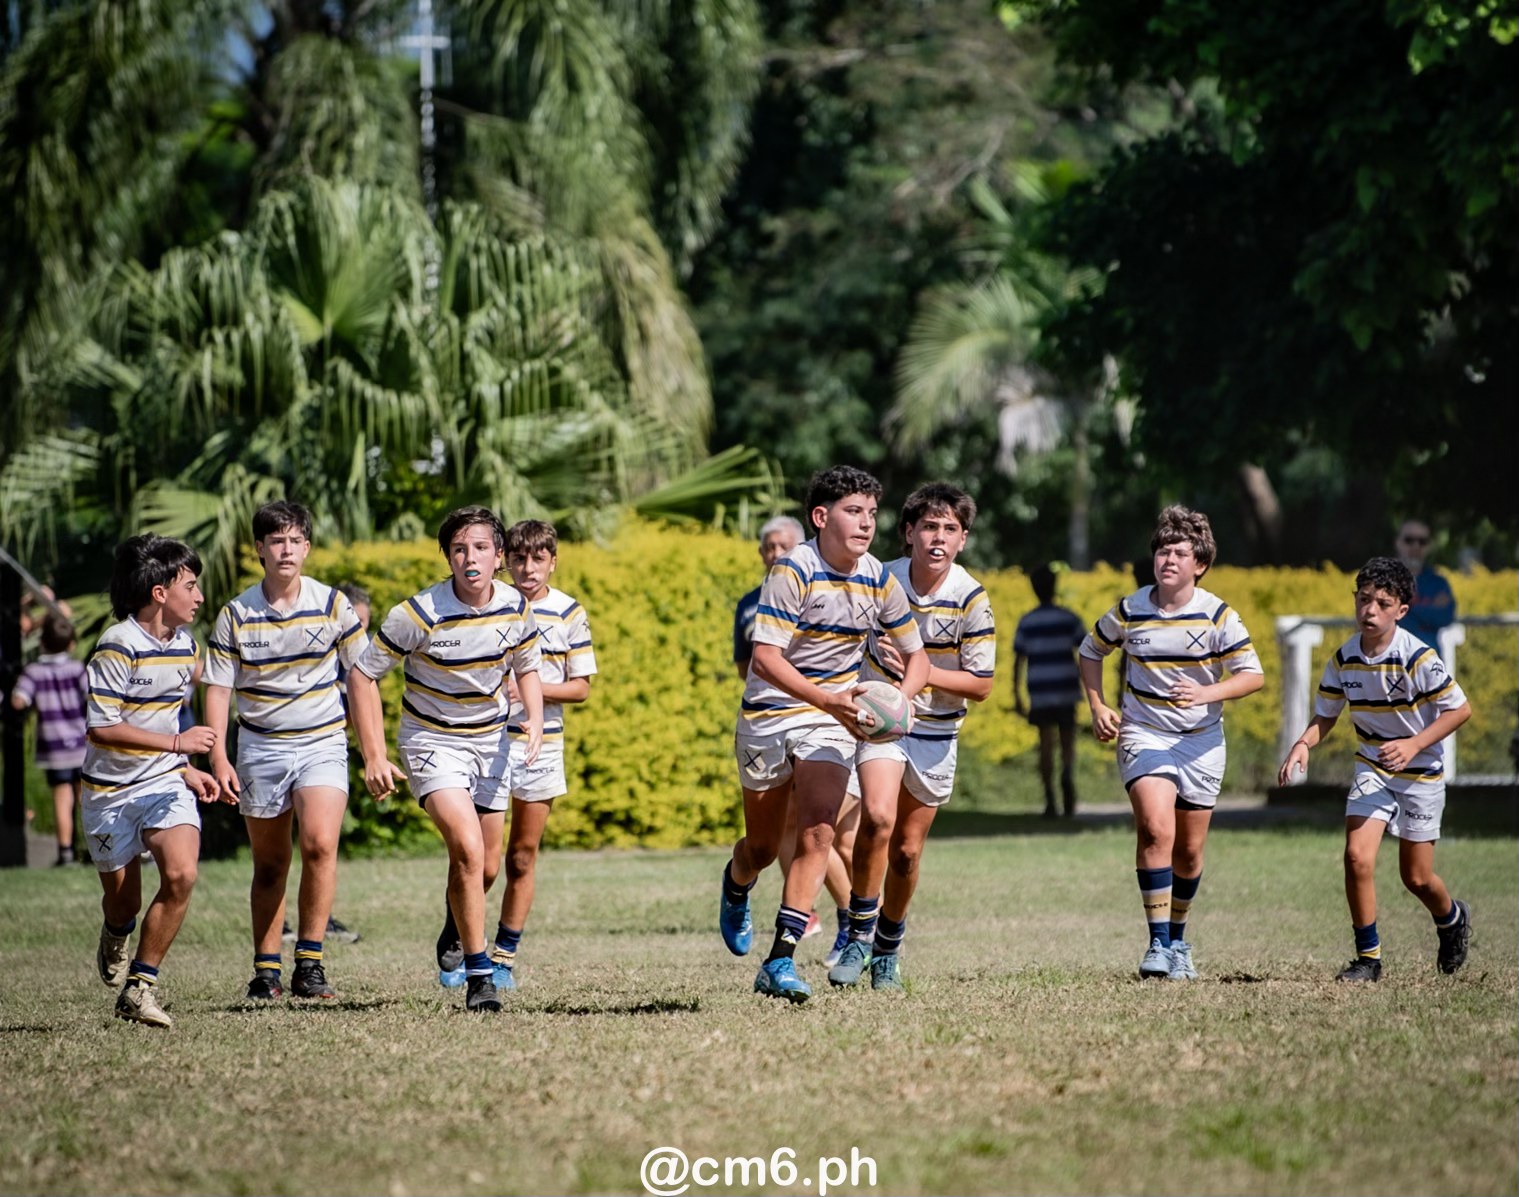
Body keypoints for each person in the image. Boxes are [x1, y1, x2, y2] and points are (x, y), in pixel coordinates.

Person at [719, 465, 928, 1002]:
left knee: (818, 833)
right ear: (821, 516)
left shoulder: (878, 578)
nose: (866, 523)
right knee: (762, 847)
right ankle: (737, 880)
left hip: (829, 721)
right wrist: (828, 699)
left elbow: (918, 658)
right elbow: (765, 660)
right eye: (853, 512)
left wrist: (899, 700)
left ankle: (779, 960)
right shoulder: (793, 571)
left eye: (872, 513)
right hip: (770, 713)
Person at [348, 507, 543, 1014]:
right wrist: (374, 754)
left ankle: (456, 921)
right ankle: (480, 977)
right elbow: (362, 675)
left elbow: (526, 665)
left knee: (488, 865)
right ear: (447, 557)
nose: (469, 558)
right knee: (468, 849)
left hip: (492, 742)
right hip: (432, 741)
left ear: (499, 557)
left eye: (480, 548)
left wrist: (537, 719)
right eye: (459, 549)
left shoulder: (516, 607)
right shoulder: (417, 613)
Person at [1077, 506, 1264, 981]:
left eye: (1180, 553)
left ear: (1200, 564)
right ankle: (1158, 944)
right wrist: (1098, 706)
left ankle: (1178, 940)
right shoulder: (1131, 608)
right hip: (1144, 733)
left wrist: (1206, 693)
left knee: (1189, 852)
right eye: (1163, 551)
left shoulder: (1218, 615)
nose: (1169, 560)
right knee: (1156, 830)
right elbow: (1090, 651)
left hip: (1202, 742)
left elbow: (1252, 675)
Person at [828, 482, 995, 991]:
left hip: (936, 731)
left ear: (963, 539)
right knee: (877, 818)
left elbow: (981, 684)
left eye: (950, 528)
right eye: (928, 527)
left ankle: (887, 948)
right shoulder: (881, 580)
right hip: (881, 725)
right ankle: (858, 934)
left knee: (906, 852)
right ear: (908, 533)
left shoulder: (970, 598)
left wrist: (920, 673)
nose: (938, 537)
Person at [1278, 556, 1473, 981]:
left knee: (1416, 878)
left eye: (1382, 604)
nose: (1370, 610)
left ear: (1401, 610)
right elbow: (1326, 715)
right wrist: (1302, 744)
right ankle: (1368, 959)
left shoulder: (1417, 657)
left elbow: (1459, 710)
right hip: (1372, 767)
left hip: (1421, 773)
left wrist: (1414, 744)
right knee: (1356, 857)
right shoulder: (1344, 658)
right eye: (1364, 599)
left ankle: (1452, 919)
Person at [203, 501, 369, 1001]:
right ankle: (266, 971)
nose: (287, 549)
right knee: (271, 863)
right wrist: (218, 756)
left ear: (308, 547)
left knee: (319, 844)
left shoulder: (333, 604)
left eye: (296, 540)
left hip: (322, 740)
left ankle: (310, 965)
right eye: (277, 540)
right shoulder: (236, 613)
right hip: (260, 745)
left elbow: (361, 677)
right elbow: (218, 688)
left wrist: (374, 752)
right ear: (260, 548)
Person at [84, 535, 224, 1027]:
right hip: (108, 793)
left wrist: (184, 768)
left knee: (182, 874)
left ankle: (140, 987)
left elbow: (162, 722)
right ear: (160, 592)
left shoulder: (186, 647)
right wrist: (179, 746)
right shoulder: (117, 645)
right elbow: (101, 728)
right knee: (125, 902)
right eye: (191, 586)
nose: (199, 596)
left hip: (163, 782)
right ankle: (116, 928)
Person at [464, 519, 598, 992]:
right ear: (505, 560)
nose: (528, 568)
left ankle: (503, 957)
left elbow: (581, 687)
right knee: (482, 861)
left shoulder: (568, 612)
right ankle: (460, 934)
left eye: (538, 559)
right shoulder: (487, 605)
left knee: (522, 857)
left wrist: (531, 690)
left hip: (543, 746)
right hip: (487, 743)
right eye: (519, 558)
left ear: (552, 562)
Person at [733, 513, 855, 957]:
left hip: (827, 720)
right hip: (770, 722)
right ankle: (800, 909)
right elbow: (748, 666)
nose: (776, 554)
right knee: (771, 839)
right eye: (769, 547)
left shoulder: (837, 589)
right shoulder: (750, 604)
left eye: (784, 546)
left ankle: (852, 920)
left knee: (825, 831)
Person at [10, 612, 89, 865]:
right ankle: (94, 847)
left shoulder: (34, 672)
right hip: (81, 745)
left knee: (62, 799)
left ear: (42, 642)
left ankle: (65, 853)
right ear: (71, 644)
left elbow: (19, 700)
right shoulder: (77, 669)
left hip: (54, 748)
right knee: (86, 799)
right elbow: (91, 696)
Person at [1012, 564, 1086, 818]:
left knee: (1045, 744)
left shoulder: (1027, 621)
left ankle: (1050, 798)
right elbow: (1086, 652)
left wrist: (1017, 694)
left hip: (1040, 689)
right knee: (1067, 741)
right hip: (1066, 687)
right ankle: (1067, 772)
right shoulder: (1069, 618)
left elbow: (1018, 661)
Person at [1395, 519, 1456, 648]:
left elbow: (1445, 617)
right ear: (1398, 543)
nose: (1416, 546)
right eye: (1409, 540)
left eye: (1422, 541)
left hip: (1428, 657)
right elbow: (1378, 621)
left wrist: (1403, 607)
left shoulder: (1439, 583)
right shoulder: (1382, 580)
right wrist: (1429, 607)